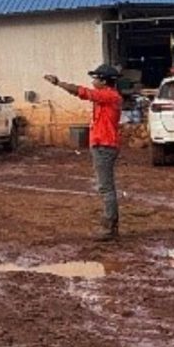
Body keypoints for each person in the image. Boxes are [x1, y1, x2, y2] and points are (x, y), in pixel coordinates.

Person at [44, 65, 123, 242]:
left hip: (104, 145)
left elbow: (81, 92)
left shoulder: (108, 96)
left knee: (106, 187)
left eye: (96, 78)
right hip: (103, 145)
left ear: (104, 81)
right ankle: (110, 224)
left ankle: (110, 226)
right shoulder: (109, 96)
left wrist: (58, 83)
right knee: (106, 187)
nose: (93, 81)